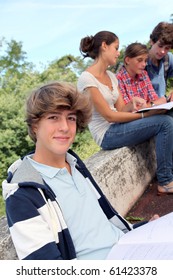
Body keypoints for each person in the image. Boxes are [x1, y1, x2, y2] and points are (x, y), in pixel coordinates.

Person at [3, 81, 151, 260]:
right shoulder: (23, 193)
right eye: (53, 117)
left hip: (129, 248)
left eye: (71, 118)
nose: (65, 127)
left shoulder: (74, 164)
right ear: (35, 125)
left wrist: (145, 230)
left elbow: (101, 230)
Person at [77, 31, 173, 195]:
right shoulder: (87, 79)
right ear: (104, 46)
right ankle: (165, 181)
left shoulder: (111, 76)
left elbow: (121, 109)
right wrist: (144, 115)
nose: (118, 52)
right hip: (107, 134)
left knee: (169, 116)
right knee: (165, 123)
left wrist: (133, 102)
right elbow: (109, 116)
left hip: (119, 125)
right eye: (116, 48)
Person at [116, 42, 166, 106]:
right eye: (139, 60)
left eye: (145, 61)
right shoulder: (118, 79)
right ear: (127, 60)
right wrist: (151, 104)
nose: (144, 64)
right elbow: (129, 108)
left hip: (149, 113)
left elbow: (154, 98)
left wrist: (150, 104)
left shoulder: (144, 74)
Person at [146, 21, 173, 99]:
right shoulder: (141, 61)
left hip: (164, 106)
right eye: (160, 46)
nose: (162, 51)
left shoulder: (168, 58)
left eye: (167, 48)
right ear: (152, 41)